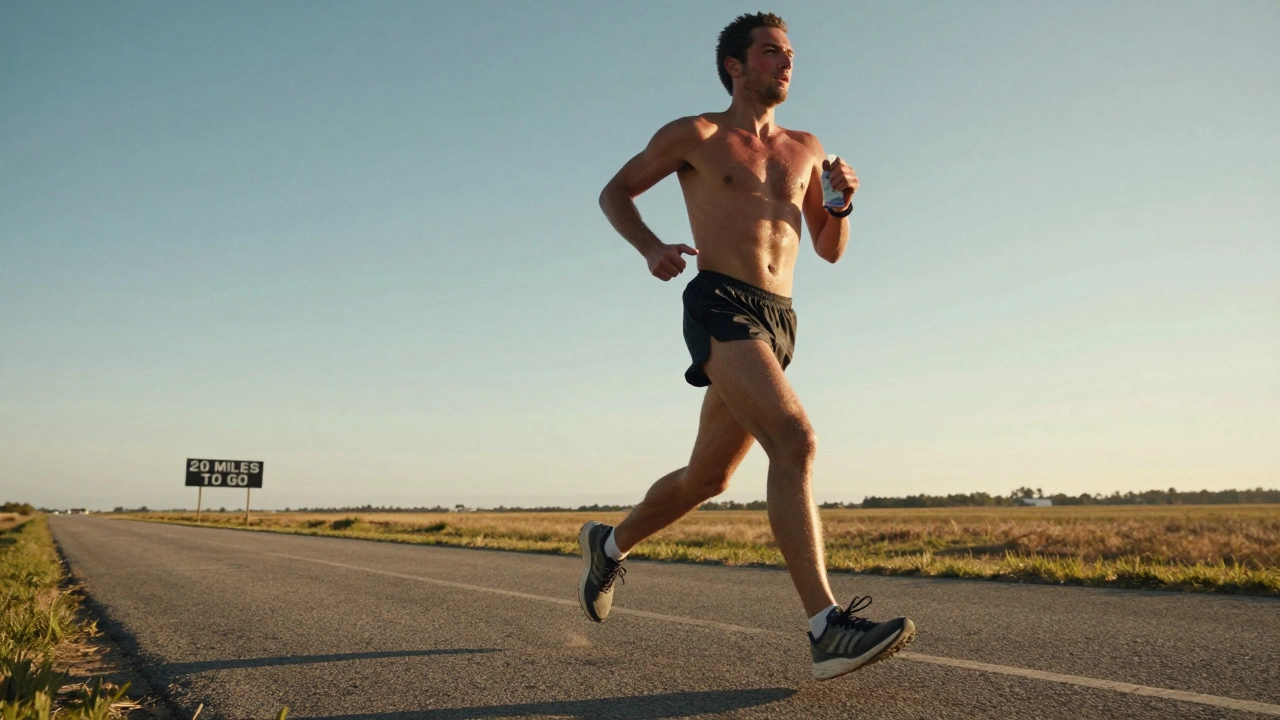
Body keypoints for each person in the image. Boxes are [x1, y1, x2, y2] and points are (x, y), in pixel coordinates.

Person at [581, 12, 915, 681]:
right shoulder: (696, 135)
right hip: (721, 303)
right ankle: (826, 628)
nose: (786, 62)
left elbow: (829, 249)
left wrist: (841, 206)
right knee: (796, 440)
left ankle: (609, 544)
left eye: (789, 53)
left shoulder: (806, 147)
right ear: (735, 65)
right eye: (770, 52)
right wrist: (650, 247)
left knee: (708, 479)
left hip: (779, 320)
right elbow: (614, 192)